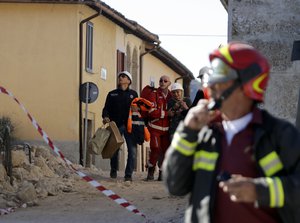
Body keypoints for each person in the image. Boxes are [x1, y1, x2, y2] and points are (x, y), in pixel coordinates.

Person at [163, 41, 300, 223]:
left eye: (221, 76)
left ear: (246, 83)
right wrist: (187, 131)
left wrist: (260, 190)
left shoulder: (280, 135)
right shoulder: (204, 133)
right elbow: (174, 185)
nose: (211, 84)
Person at [102, 71, 138, 182]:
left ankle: (128, 175)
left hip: (130, 126)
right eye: (120, 76)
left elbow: (139, 109)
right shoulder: (112, 94)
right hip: (116, 125)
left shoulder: (134, 94)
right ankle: (113, 169)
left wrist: (137, 110)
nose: (120, 78)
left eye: (123, 76)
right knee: (114, 149)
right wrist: (105, 116)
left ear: (129, 80)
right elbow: (106, 108)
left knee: (132, 151)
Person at [145, 75, 172, 181]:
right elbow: (151, 112)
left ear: (169, 83)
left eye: (165, 81)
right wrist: (166, 113)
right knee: (155, 148)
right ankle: (151, 169)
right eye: (160, 80)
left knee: (165, 151)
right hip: (155, 128)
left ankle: (162, 172)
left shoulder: (171, 95)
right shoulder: (154, 94)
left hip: (167, 129)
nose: (162, 82)